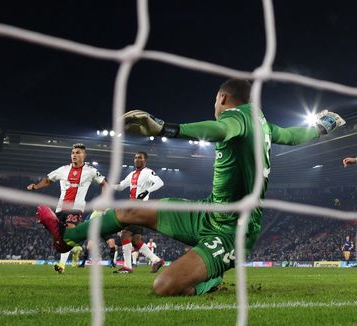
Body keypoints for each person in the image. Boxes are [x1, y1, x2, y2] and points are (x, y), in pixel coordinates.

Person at [37, 79, 345, 296]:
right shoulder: (262, 122)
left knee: (165, 286)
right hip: (208, 212)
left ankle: (209, 280)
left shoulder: (236, 118)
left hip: (232, 232)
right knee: (130, 209)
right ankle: (67, 239)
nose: (215, 105)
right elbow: (293, 136)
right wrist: (321, 126)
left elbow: (217, 128)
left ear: (222, 98)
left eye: (215, 100)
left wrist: (163, 128)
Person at [27, 143, 107, 274]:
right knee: (59, 240)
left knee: (69, 230)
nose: (74, 155)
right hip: (60, 208)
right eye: (73, 153)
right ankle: (75, 249)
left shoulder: (90, 171)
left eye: (78, 153)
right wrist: (36, 186)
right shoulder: (63, 170)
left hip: (76, 208)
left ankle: (61, 265)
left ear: (84, 155)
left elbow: (104, 183)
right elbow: (48, 180)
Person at [113, 152, 165, 273]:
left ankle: (127, 267)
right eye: (135, 158)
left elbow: (160, 183)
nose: (137, 160)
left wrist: (147, 191)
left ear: (145, 160)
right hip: (133, 208)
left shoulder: (148, 172)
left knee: (125, 235)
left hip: (140, 208)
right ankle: (156, 260)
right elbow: (121, 186)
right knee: (136, 241)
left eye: (140, 158)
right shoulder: (131, 174)